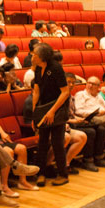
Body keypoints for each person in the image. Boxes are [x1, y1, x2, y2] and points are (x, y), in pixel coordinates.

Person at [30, 43, 72, 185]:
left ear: (41, 57)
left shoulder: (55, 68)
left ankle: (63, 175)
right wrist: (35, 112)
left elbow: (65, 92)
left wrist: (52, 111)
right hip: (43, 109)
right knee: (42, 143)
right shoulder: (37, 69)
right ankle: (40, 174)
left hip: (57, 109)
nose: (32, 56)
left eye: (34, 54)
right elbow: (36, 91)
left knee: (57, 143)